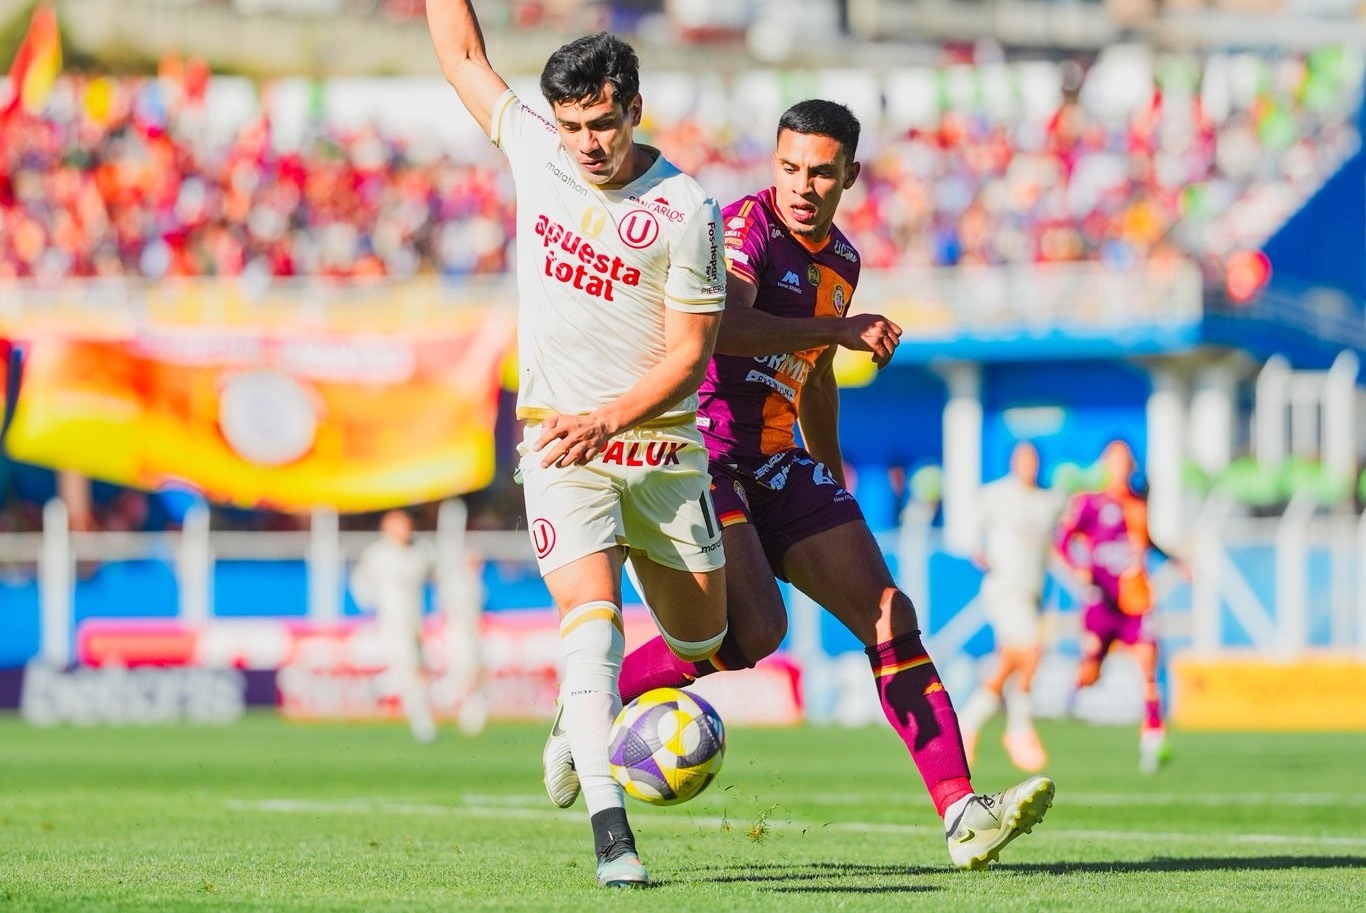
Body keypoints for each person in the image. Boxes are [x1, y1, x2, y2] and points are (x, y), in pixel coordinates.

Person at [600, 98, 1053, 869]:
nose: (801, 185)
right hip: (704, 450)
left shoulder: (841, 260)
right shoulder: (740, 227)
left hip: (777, 460)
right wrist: (839, 331)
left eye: (818, 172)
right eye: (789, 167)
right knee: (756, 633)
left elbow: (812, 377)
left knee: (888, 611)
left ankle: (961, 813)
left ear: (848, 174)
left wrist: (829, 474)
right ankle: (595, 701)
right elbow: (724, 328)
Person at [425, 2, 730, 889]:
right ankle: (612, 834)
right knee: (591, 627)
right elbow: (461, 54)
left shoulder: (685, 209)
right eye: (571, 126)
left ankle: (579, 720)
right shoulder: (536, 151)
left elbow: (689, 356)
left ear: (634, 109)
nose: (586, 144)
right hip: (560, 444)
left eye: (602, 123)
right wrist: (587, 425)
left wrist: (614, 417)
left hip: (664, 452)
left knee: (704, 634)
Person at [1055, 438, 1180, 774]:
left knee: (1148, 667)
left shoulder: (1138, 505)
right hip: (1102, 604)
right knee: (1091, 673)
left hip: (1137, 602)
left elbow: (1145, 541)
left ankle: (1153, 740)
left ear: (1133, 467)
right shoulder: (1089, 504)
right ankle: (1075, 687)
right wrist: (1077, 567)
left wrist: (1177, 561)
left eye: (1126, 461)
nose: (1121, 467)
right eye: (1115, 460)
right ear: (1105, 465)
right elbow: (1062, 537)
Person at [958, 441, 1064, 773]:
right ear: (1013, 463)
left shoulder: (1048, 502)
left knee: (1013, 662)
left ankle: (967, 723)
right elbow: (969, 530)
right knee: (1030, 652)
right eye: (1022, 459)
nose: (1028, 465)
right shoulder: (996, 495)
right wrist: (978, 550)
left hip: (1032, 593)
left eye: (1032, 459)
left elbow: (1053, 548)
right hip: (1005, 589)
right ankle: (1018, 730)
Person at [350, 509, 439, 744]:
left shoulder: (420, 551)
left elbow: (435, 573)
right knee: (411, 670)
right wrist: (371, 604)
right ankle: (422, 724)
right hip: (393, 622)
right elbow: (361, 584)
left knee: (415, 669)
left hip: (416, 621)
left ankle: (376, 688)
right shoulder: (378, 554)